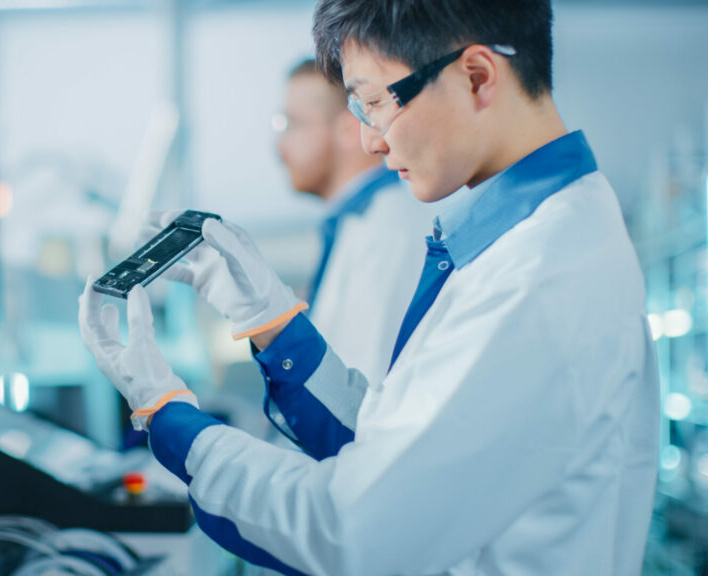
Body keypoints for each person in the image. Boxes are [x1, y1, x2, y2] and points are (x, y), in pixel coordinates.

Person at [79, 1, 659, 574]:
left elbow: (353, 534)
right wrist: (276, 326)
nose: (370, 141)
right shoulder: (524, 241)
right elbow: (394, 447)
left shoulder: (540, 278)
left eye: (378, 102)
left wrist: (169, 417)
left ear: (477, 77)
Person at [277, 58, 432, 387]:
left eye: (291, 124)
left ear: (349, 128)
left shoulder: (389, 230)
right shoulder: (355, 223)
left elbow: (362, 396)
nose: (279, 146)